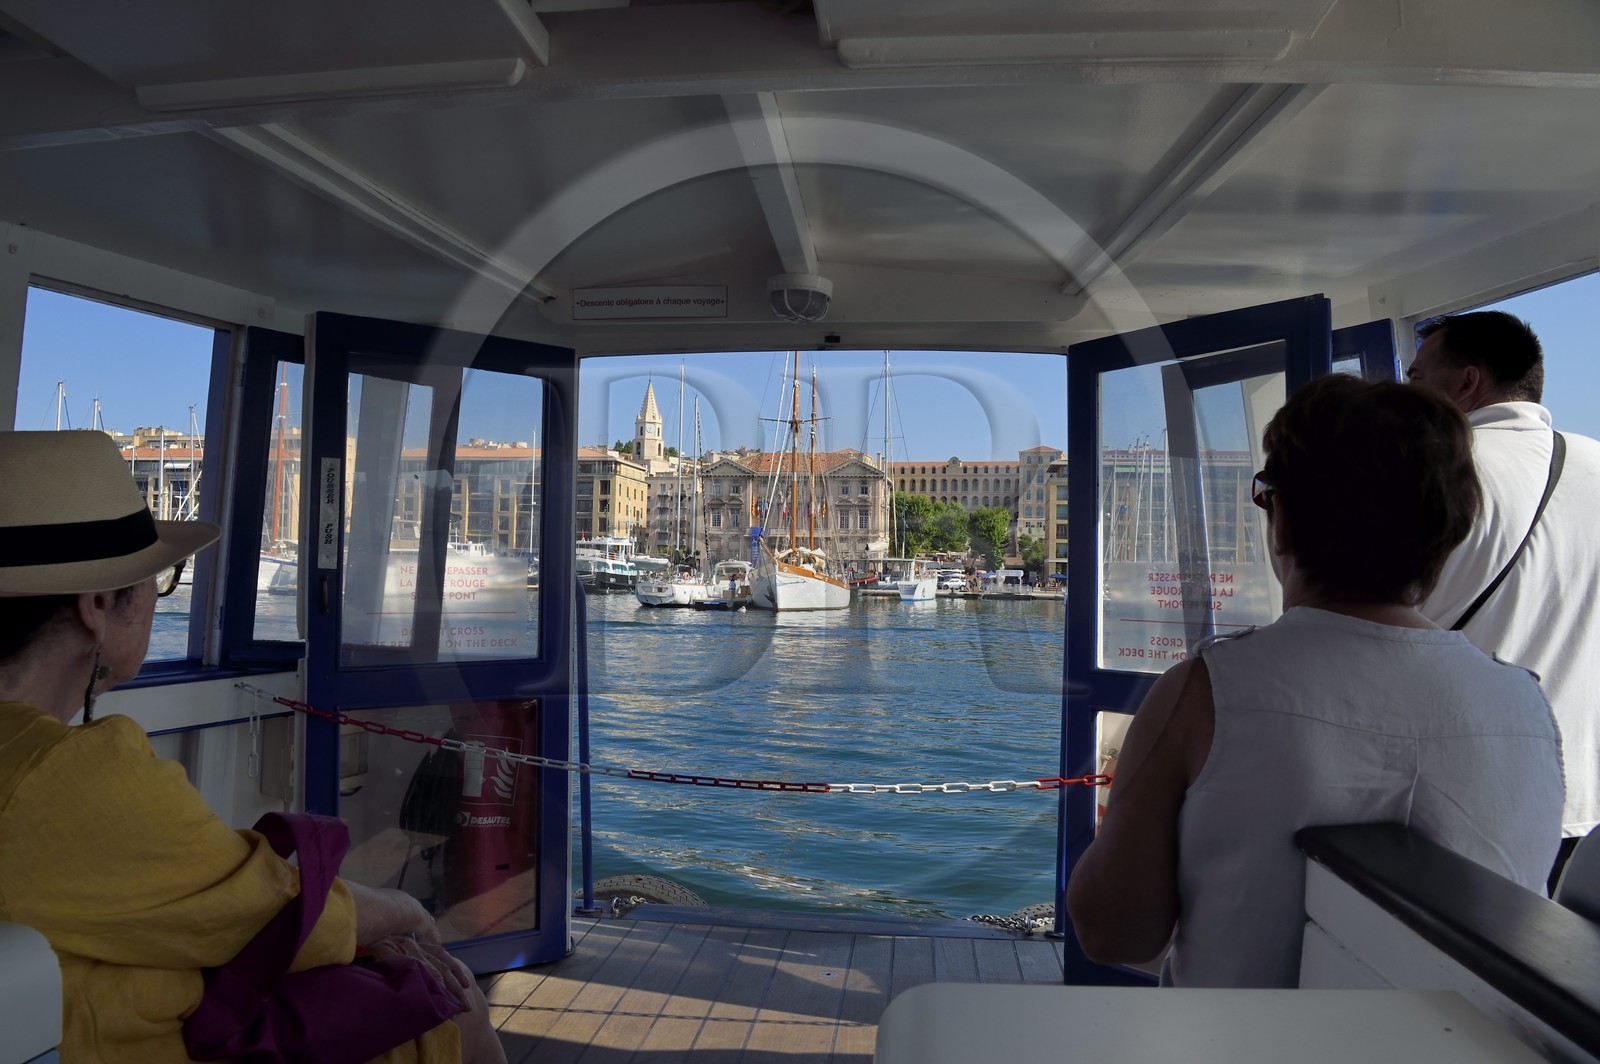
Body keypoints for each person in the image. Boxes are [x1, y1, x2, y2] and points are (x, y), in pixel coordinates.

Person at [0, 430, 505, 1063]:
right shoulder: (62, 775)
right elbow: (271, 915)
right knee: (456, 1006)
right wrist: (407, 912)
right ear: (98, 604)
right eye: (160, 579)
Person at [1066, 375, 1564, 988]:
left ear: (1282, 523)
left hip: (1235, 1037)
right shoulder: (1525, 706)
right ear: (1451, 531)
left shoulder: (1204, 693)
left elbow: (1113, 932)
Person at [1407, 310, 1600, 886]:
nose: (1404, 394)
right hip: (1577, 802)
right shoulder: (1595, 464)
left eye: (1416, 378)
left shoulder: (1433, 470)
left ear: (1467, 382)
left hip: (1452, 800)